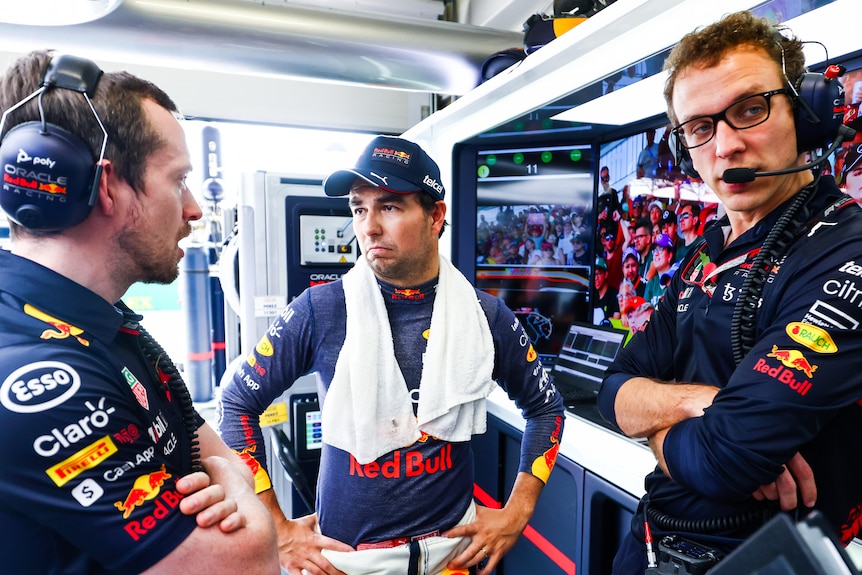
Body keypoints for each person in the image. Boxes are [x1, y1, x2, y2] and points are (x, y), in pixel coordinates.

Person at [218, 135, 565, 575]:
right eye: (359, 207)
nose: (368, 226)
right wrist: (277, 528)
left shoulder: (484, 315)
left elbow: (546, 407)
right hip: (349, 565)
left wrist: (517, 513)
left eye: (390, 206)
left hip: (453, 558)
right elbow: (236, 403)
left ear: (436, 215)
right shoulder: (322, 309)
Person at [597, 11, 862, 574]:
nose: (726, 146)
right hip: (649, 546)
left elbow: (727, 457)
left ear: (806, 113)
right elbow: (613, 389)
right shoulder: (706, 249)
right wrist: (703, 402)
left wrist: (659, 415)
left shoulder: (847, 248)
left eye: (749, 110)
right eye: (699, 127)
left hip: (769, 559)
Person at [0, 50, 279, 574]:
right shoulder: (36, 375)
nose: (194, 208)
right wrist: (246, 508)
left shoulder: (104, 322)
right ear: (106, 186)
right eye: (177, 180)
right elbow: (244, 561)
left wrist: (233, 480)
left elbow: (216, 453)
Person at [642, 233, 674, 307]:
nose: (656, 254)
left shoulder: (675, 279)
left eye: (660, 249)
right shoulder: (651, 283)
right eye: (654, 250)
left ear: (670, 255)